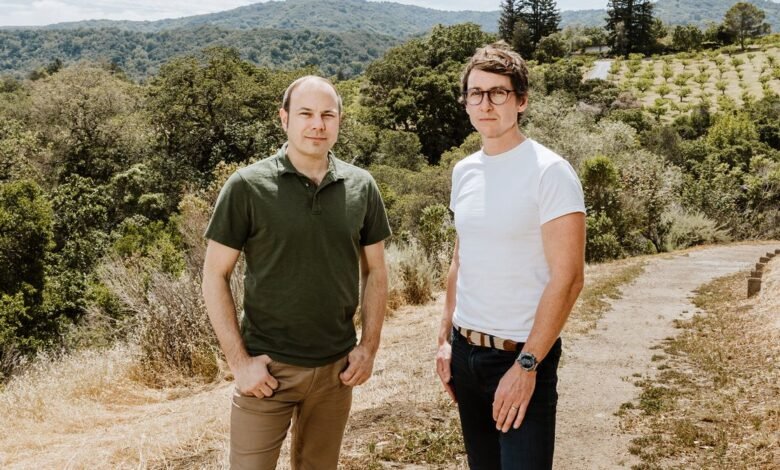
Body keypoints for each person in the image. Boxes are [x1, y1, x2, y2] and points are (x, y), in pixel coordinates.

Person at [201, 75, 391, 470]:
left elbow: (375, 270)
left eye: (327, 115)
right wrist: (240, 363)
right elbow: (214, 276)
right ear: (284, 118)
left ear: (339, 121)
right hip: (268, 372)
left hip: (336, 373)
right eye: (306, 114)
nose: (317, 125)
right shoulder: (246, 186)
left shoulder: (362, 186)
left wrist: (369, 347)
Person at [435, 42, 586, 470]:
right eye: (476, 93)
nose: (486, 104)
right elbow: (461, 259)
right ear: (466, 102)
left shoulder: (550, 172)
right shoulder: (464, 171)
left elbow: (569, 278)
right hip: (466, 354)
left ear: (521, 101)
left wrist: (526, 365)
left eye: (498, 92)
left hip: (520, 356)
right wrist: (444, 340)